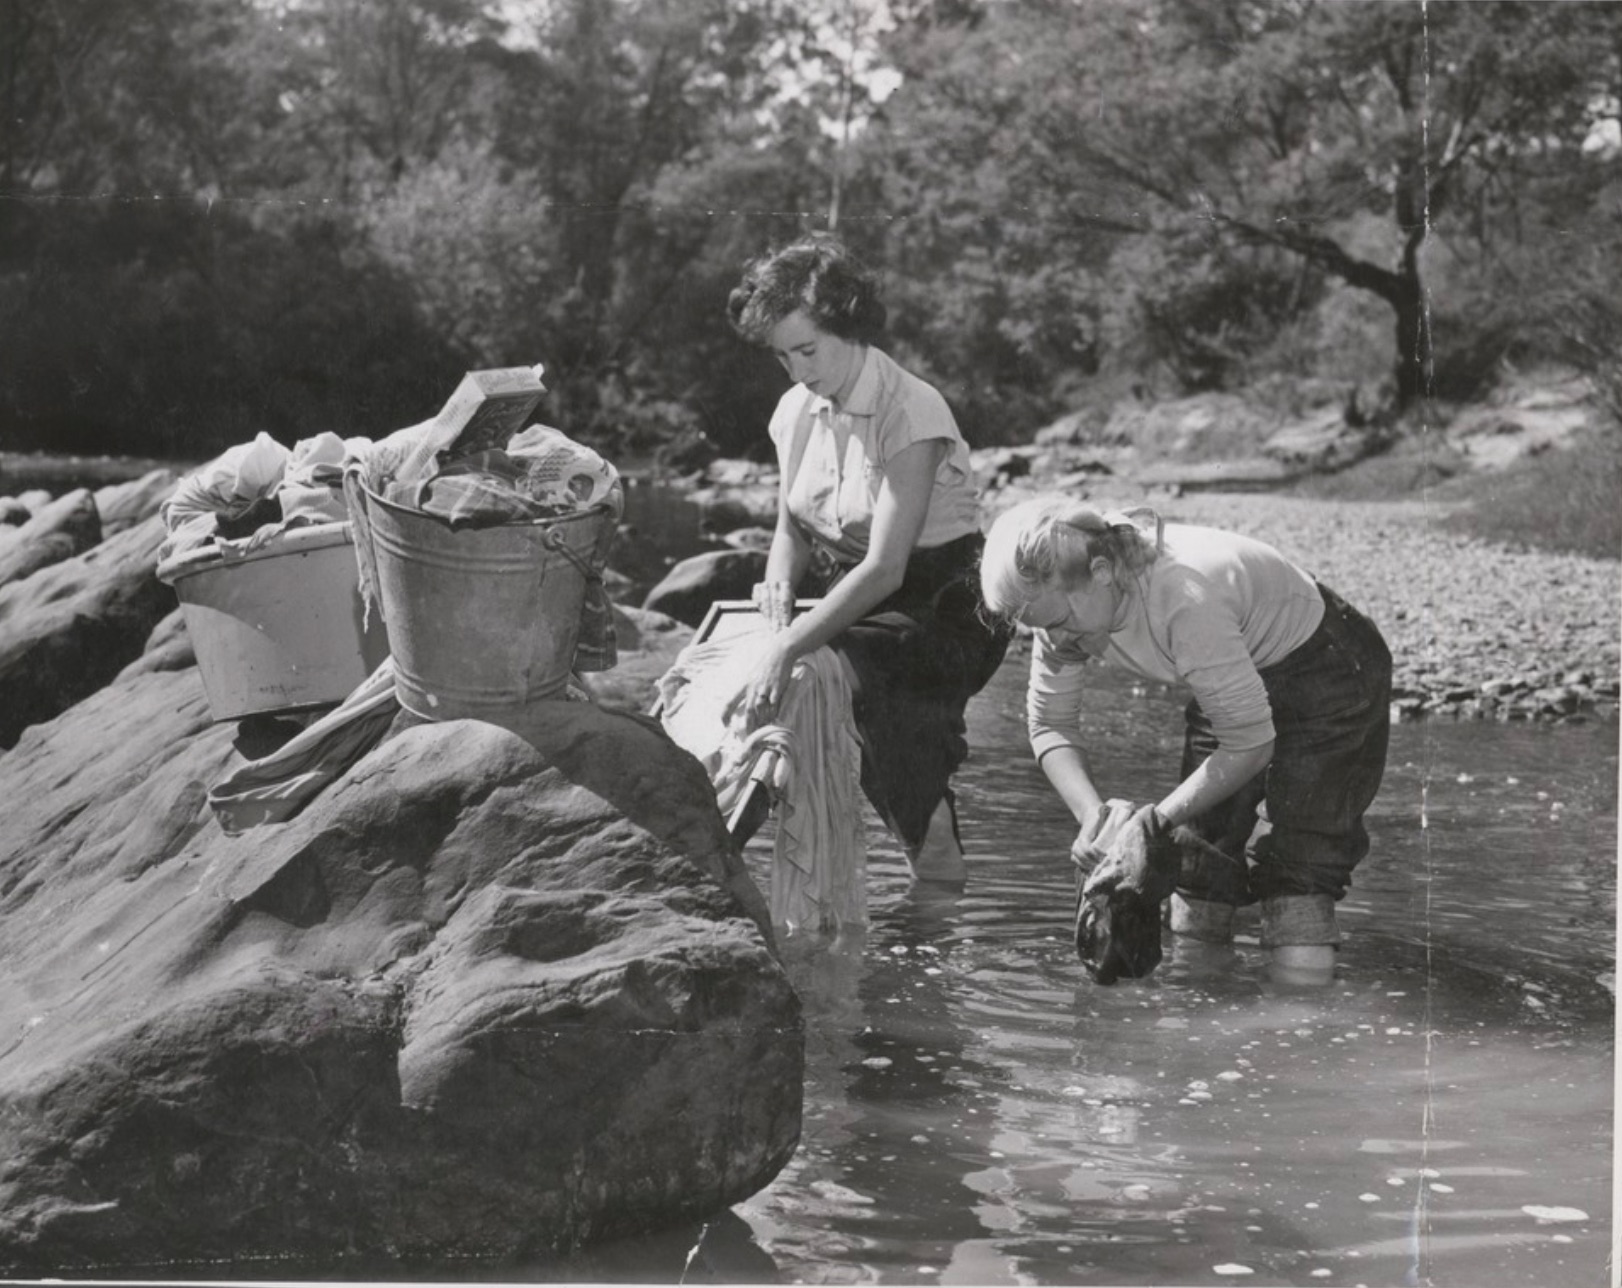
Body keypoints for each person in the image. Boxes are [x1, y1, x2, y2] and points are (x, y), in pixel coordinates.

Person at [979, 495, 1392, 982]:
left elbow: (1250, 744)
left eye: (1058, 622)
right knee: (1198, 857)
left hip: (1329, 669)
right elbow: (1050, 724)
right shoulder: (1061, 609)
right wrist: (1093, 815)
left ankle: (1300, 1029)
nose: (1054, 639)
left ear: (1102, 573)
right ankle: (1198, 1014)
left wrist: (1153, 821)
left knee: (1299, 868)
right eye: (1037, 627)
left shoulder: (1183, 597)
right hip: (1232, 670)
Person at [723, 233, 1011, 882]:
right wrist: (775, 594)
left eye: (808, 349)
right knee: (766, 682)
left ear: (848, 326)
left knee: (858, 709)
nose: (797, 371)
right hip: (859, 594)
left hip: (944, 605)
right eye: (781, 356)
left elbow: (888, 566)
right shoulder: (794, 410)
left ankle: (935, 882)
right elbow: (791, 526)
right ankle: (727, 850)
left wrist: (787, 645)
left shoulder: (910, 408)